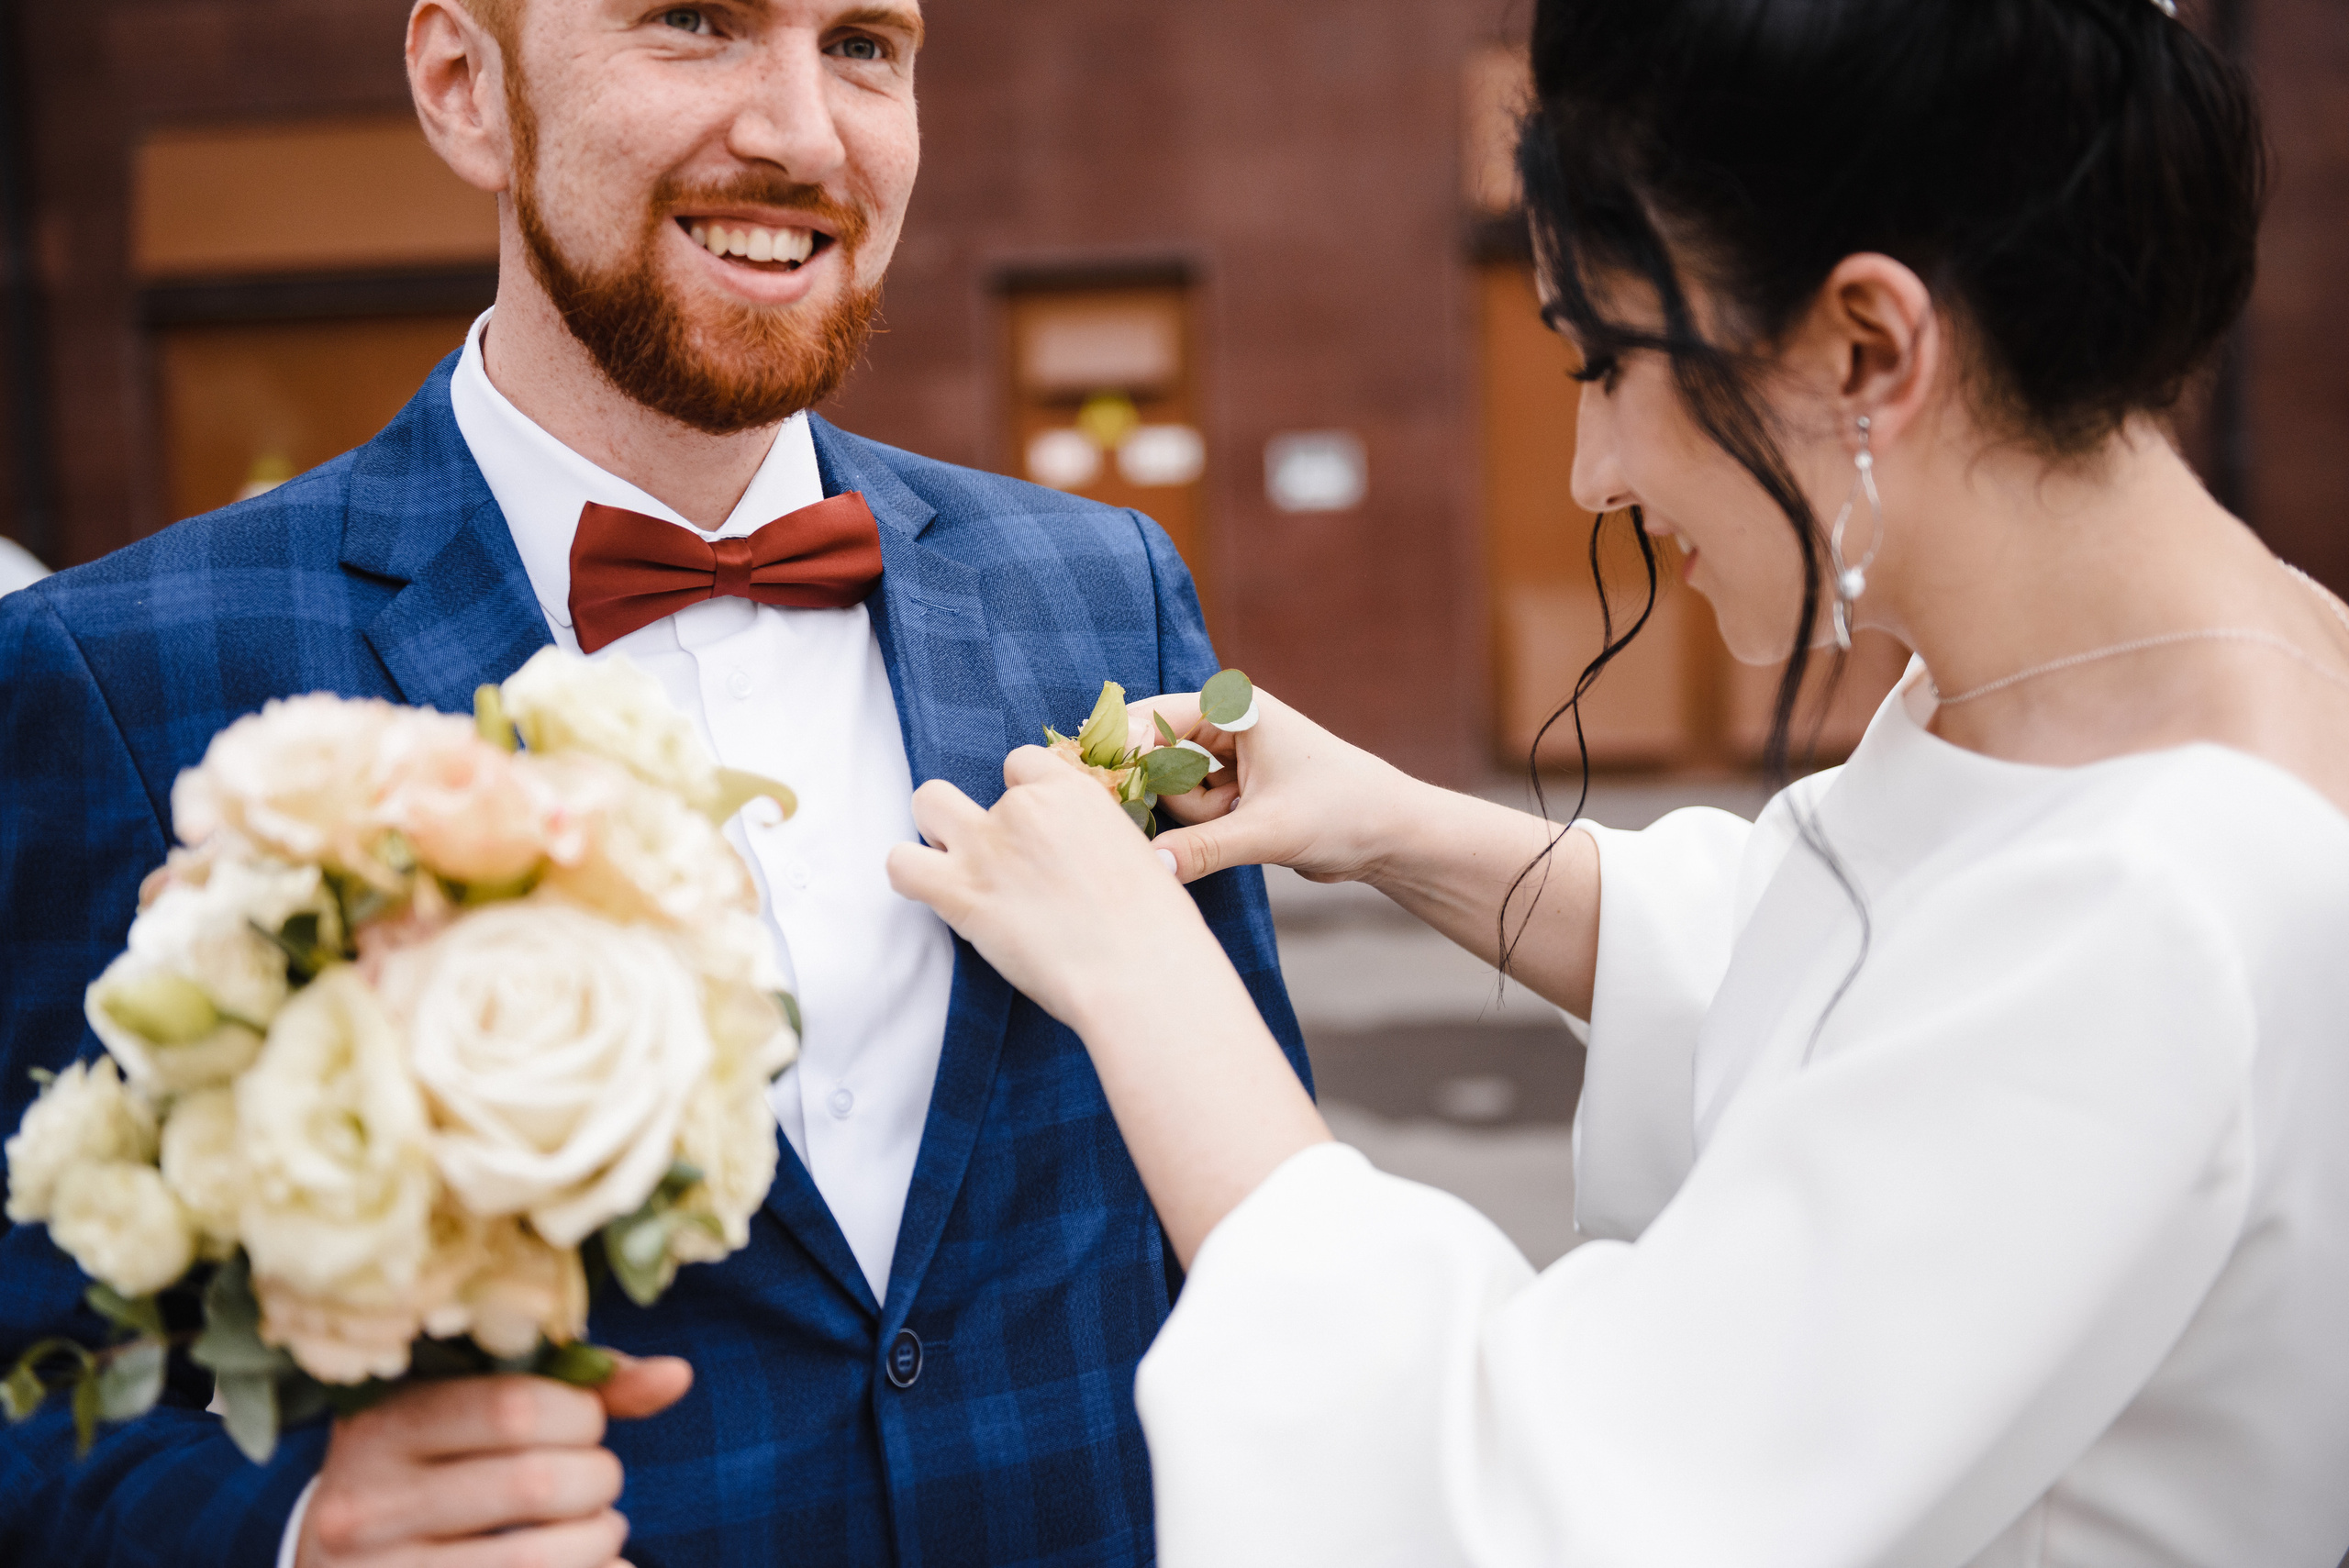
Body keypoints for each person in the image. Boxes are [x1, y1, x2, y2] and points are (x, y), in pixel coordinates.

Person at [885, 1, 2349, 1563]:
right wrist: (1386, 819)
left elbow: (1524, 1506)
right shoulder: (2147, 685)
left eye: (1604, 365)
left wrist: (1138, 973)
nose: (1595, 473)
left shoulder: (2160, 902)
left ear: (1870, 346)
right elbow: (1821, 973)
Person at [0, 2, 1304, 1564]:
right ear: (465, 87)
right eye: (695, 22)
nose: (805, 133)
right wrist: (292, 1538)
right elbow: (40, 1392)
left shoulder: (1104, 590)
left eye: (866, 46)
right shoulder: (118, 672)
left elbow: (1259, 1245)